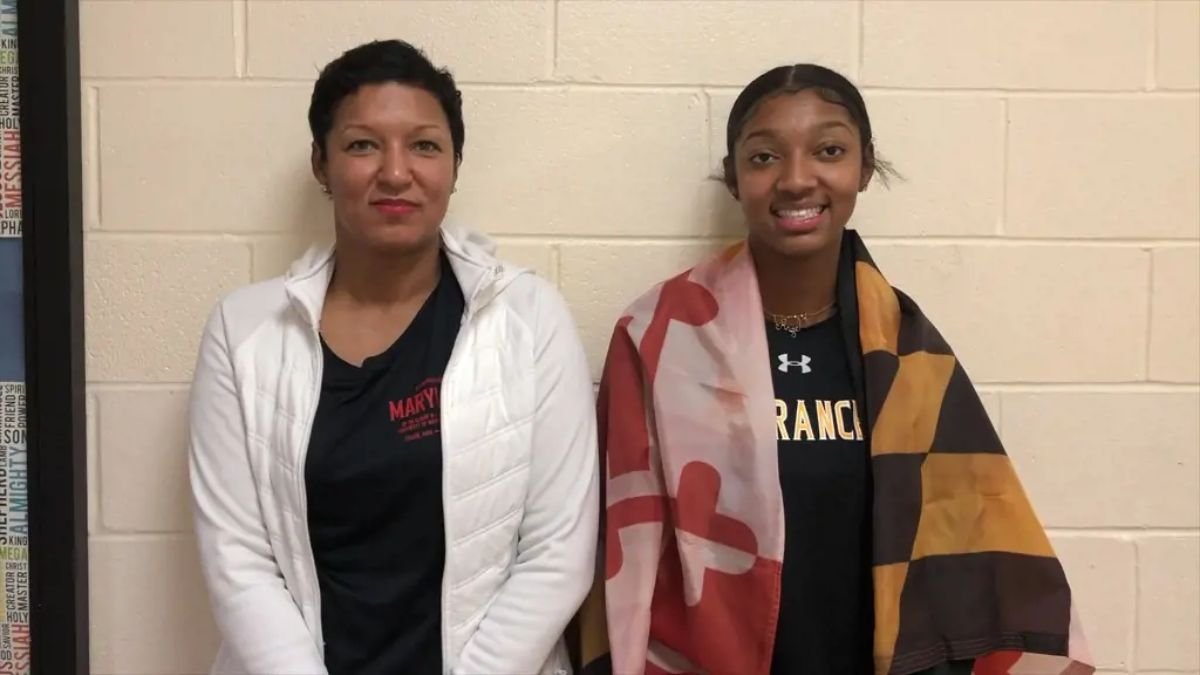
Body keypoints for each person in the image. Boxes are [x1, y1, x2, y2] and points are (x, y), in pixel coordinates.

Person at [575, 64, 1093, 675]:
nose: (797, 179)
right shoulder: (657, 337)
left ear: (864, 167)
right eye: (765, 157)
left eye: (828, 151)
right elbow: (616, 551)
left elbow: (972, 549)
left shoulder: (908, 354)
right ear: (734, 178)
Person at [187, 39, 599, 675]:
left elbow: (557, 553)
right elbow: (238, 561)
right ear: (321, 164)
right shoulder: (244, 331)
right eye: (362, 145)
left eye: (425, 146)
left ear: (455, 165)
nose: (396, 172)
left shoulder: (529, 318)